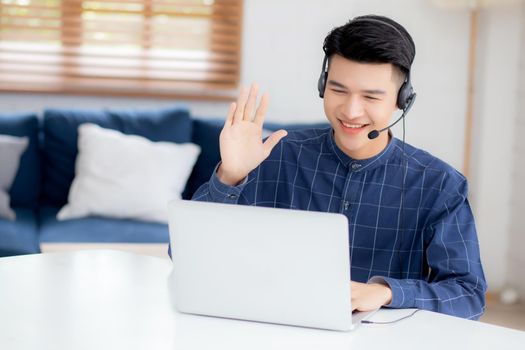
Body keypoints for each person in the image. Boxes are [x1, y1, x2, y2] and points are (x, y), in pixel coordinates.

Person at [192, 15, 487, 320]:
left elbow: (468, 295)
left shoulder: (439, 184)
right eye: (338, 90)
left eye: (371, 96)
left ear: (403, 99)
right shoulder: (273, 156)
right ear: (322, 86)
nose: (350, 110)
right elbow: (190, 258)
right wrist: (230, 176)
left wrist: (386, 292)